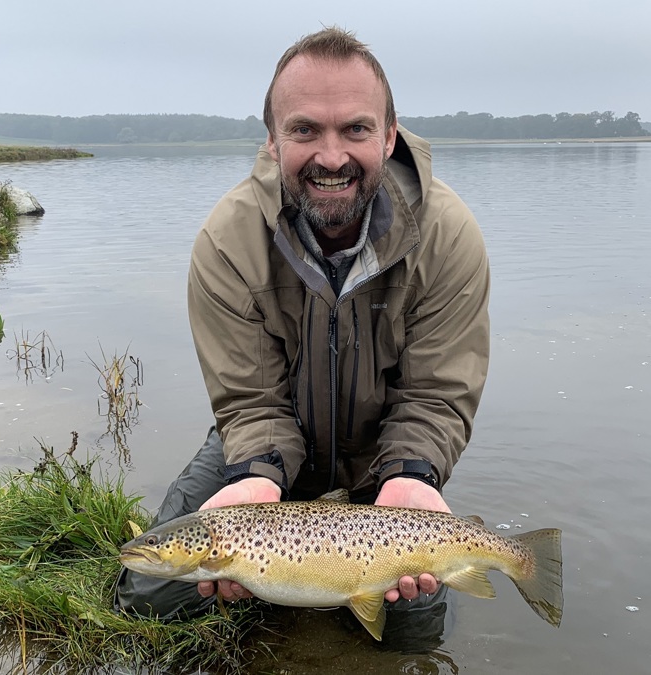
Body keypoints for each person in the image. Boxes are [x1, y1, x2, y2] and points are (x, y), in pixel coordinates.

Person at [116, 26, 490, 642]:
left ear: (390, 134)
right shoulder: (227, 240)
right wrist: (255, 480)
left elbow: (436, 396)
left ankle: (330, 584)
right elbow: (251, 400)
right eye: (305, 129)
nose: (332, 156)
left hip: (384, 457)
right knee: (148, 595)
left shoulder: (448, 236)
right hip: (261, 451)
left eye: (356, 129)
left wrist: (412, 477)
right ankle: (287, 586)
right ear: (271, 140)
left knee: (411, 638)